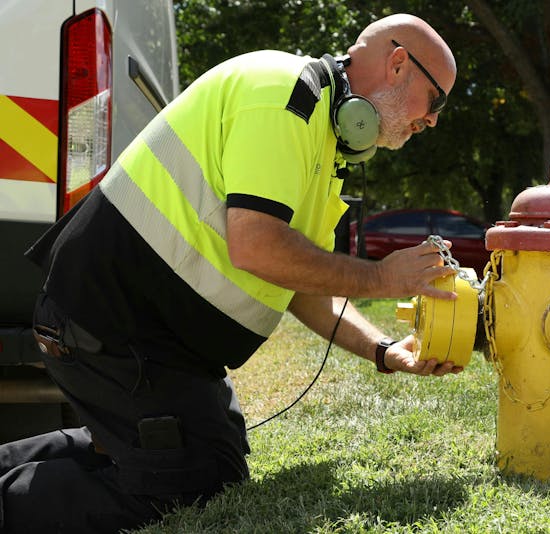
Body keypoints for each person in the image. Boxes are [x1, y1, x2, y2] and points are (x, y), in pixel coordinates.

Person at [0, 13, 461, 533]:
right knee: (186, 488)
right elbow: (257, 245)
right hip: (108, 323)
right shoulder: (285, 94)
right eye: (435, 101)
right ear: (398, 64)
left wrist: (383, 350)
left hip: (156, 342)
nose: (433, 121)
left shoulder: (322, 140)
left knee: (210, 461)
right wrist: (381, 279)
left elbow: (302, 284)